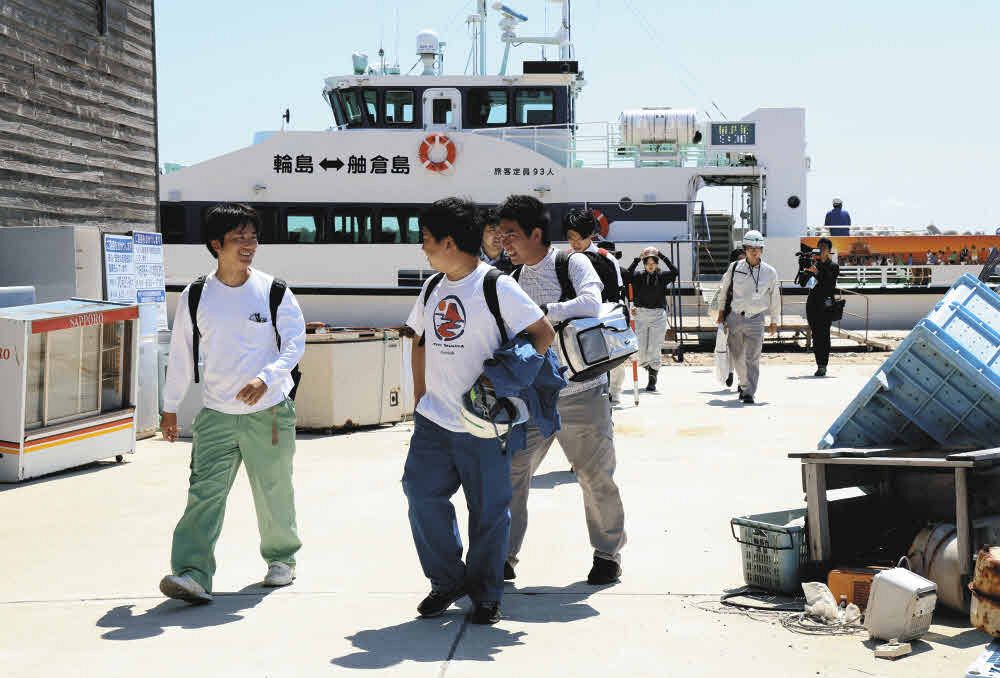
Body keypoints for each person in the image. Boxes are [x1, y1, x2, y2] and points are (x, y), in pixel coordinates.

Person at [403, 197, 554, 625]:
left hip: (486, 424)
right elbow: (419, 339)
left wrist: (504, 384)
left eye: (426, 239)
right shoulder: (433, 287)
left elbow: (542, 335)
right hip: (435, 421)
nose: (423, 247)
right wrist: (420, 400)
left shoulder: (496, 286)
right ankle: (447, 579)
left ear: (449, 242)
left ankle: (486, 594)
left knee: (488, 511)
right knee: (420, 494)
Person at [159, 203, 306, 604]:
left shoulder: (274, 291)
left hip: (269, 411)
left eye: (253, 237)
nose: (249, 245)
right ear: (215, 244)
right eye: (239, 238)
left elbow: (294, 343)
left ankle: (282, 559)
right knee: (203, 495)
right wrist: (170, 406)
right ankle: (192, 572)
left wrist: (268, 378)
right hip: (216, 415)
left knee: (273, 490)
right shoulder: (196, 295)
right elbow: (181, 354)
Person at [497, 195, 627, 585]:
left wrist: (539, 315)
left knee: (595, 476)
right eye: (502, 235)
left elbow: (591, 302)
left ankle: (607, 553)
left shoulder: (572, 262)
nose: (505, 243)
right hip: (532, 395)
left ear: (536, 234)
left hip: (582, 392)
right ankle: (503, 556)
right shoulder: (512, 278)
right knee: (512, 476)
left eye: (512, 235)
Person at [563, 209, 628, 403]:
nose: (575, 243)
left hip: (600, 325)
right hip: (574, 326)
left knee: (601, 372)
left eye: (579, 238)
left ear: (590, 235)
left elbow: (617, 293)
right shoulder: (564, 259)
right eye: (570, 238)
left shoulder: (605, 258)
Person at [715, 230, 781, 404]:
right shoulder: (735, 267)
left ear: (762, 250)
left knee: (752, 357)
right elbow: (724, 291)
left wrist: (774, 321)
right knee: (737, 357)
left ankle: (749, 392)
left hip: (757, 319)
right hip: (735, 317)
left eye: (758, 247)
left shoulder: (770, 272)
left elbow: (775, 297)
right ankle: (744, 384)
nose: (754, 251)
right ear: (745, 249)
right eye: (751, 247)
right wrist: (721, 312)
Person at [627, 246, 679, 392]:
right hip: (641, 314)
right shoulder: (638, 276)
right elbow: (627, 275)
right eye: (648, 263)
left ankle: (652, 377)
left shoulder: (662, 276)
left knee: (654, 348)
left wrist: (661, 255)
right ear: (644, 264)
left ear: (656, 264)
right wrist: (638, 258)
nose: (650, 265)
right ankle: (648, 366)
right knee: (641, 349)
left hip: (658, 315)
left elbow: (675, 271)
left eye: (653, 263)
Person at [798, 237, 840, 377]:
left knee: (824, 335)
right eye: (819, 247)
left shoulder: (833, 266)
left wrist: (816, 272)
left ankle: (823, 364)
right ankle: (819, 364)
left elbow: (829, 284)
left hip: (826, 304)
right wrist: (804, 268)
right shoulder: (813, 263)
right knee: (816, 335)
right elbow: (803, 283)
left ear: (829, 250)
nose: (821, 250)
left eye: (824, 247)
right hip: (813, 304)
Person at [479, 208, 514, 273]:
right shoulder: (469, 257)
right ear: (481, 233)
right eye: (493, 230)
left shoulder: (514, 259)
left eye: (502, 229)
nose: (498, 235)